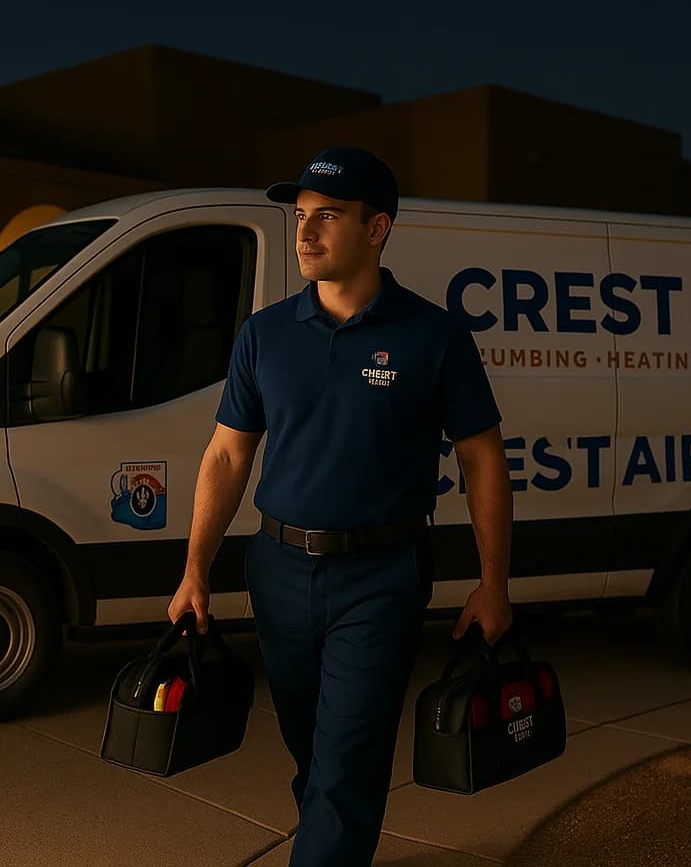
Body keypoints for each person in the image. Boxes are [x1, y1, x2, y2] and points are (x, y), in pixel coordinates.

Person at [166, 146, 514, 867]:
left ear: (377, 227)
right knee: (314, 754)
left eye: (327, 216)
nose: (305, 232)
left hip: (382, 577)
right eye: (300, 217)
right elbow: (227, 455)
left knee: (348, 757)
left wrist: (493, 583)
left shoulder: (433, 336)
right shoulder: (264, 335)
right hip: (279, 573)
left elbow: (482, 458)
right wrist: (195, 570)